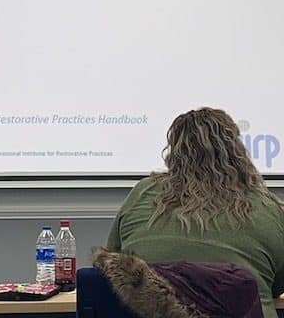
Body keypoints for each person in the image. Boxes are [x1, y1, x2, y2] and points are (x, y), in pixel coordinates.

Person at [107, 107, 284, 318]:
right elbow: (277, 285)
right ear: (236, 151)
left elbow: (112, 270)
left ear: (174, 151)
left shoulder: (142, 194)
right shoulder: (267, 207)